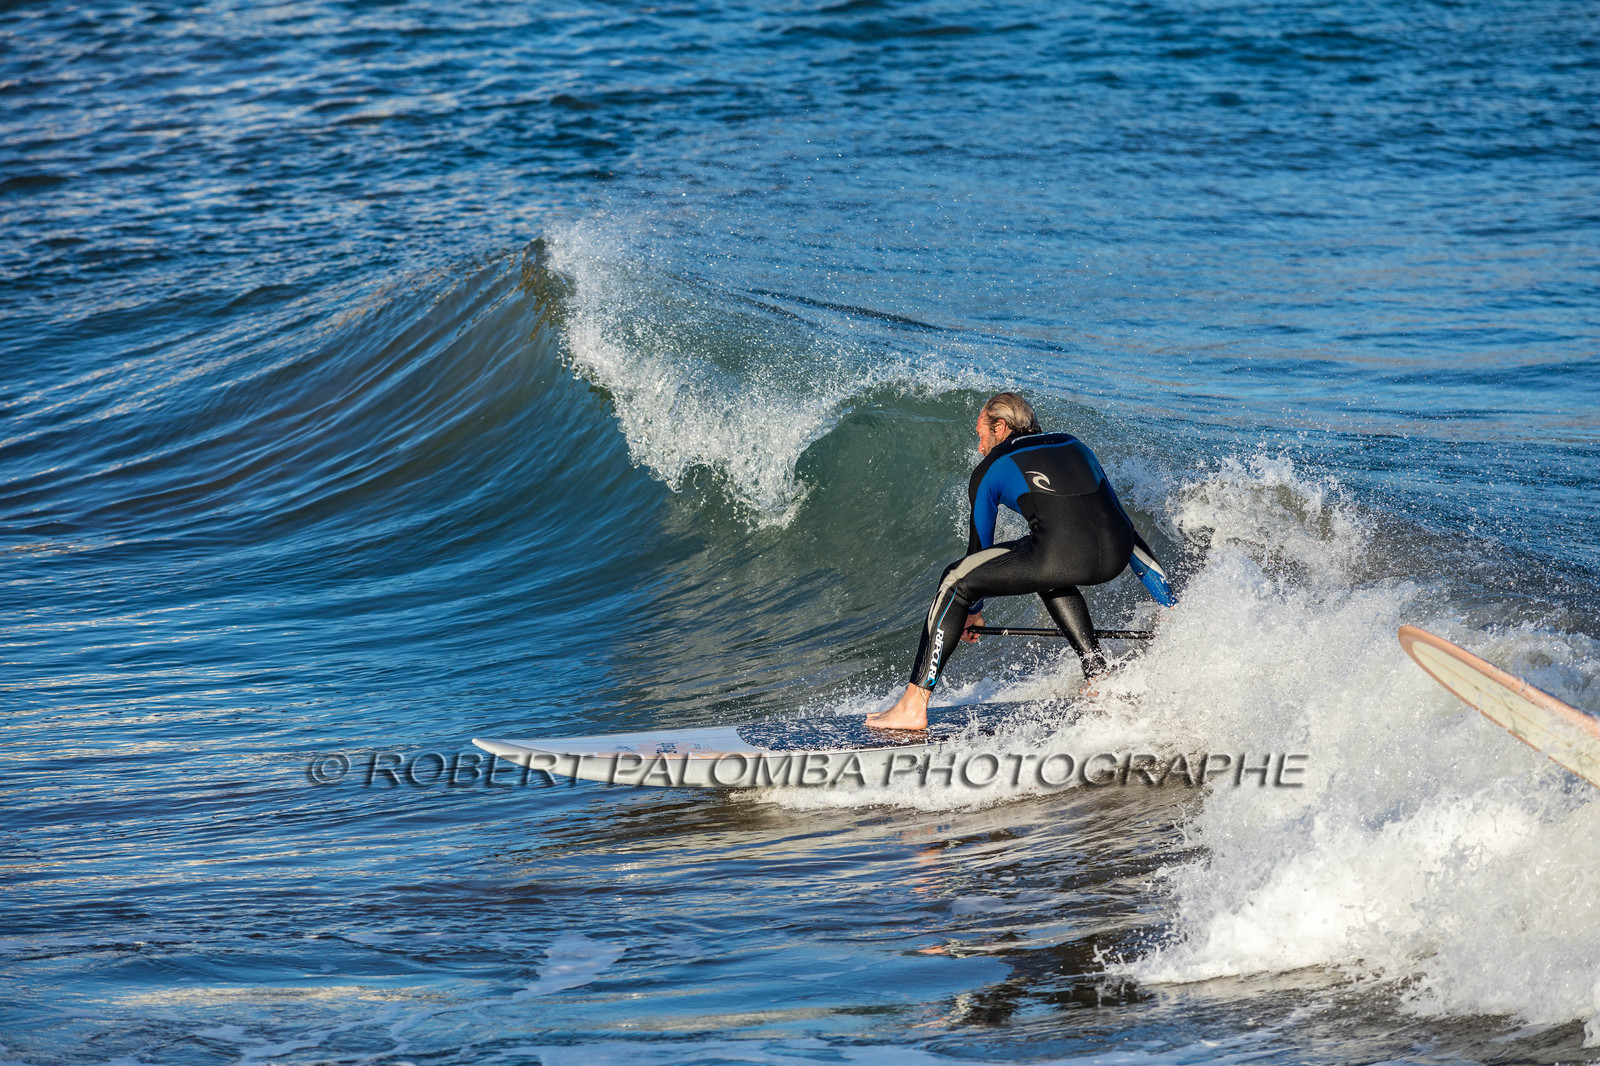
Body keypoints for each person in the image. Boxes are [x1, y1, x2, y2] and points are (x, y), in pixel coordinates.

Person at [866, 392, 1173, 731]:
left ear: (1000, 427)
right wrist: (1168, 605)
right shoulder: (1076, 445)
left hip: (1060, 556)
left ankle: (913, 706)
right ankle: (1098, 676)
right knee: (1046, 569)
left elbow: (978, 553)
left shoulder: (991, 466)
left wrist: (970, 610)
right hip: (1116, 552)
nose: (980, 446)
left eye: (981, 434)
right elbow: (1125, 527)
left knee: (954, 580)